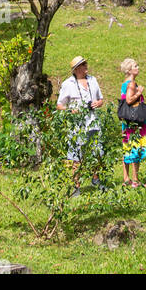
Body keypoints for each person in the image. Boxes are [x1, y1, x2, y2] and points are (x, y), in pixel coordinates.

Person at [56, 56, 106, 191]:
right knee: (76, 156)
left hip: (93, 122)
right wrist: (72, 110)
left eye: (85, 63)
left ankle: (96, 179)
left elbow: (101, 99)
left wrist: (98, 103)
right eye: (83, 64)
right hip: (77, 125)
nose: (86, 66)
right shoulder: (68, 84)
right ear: (77, 69)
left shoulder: (93, 80)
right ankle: (76, 186)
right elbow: (59, 105)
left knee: (97, 152)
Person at [119, 57, 146, 187]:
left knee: (127, 147)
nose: (138, 68)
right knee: (136, 148)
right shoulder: (132, 83)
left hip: (127, 120)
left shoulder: (124, 83)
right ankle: (135, 180)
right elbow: (129, 100)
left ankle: (126, 179)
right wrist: (139, 93)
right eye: (135, 66)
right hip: (135, 120)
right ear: (130, 70)